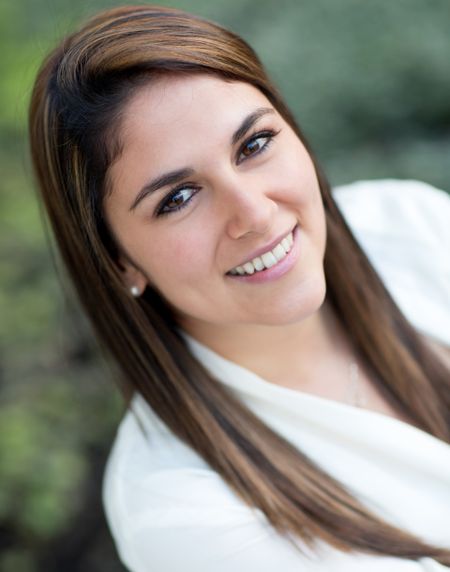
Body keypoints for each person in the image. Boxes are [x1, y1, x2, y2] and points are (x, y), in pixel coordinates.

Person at [29, 5, 450, 571]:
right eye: (177, 198)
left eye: (253, 145)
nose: (253, 212)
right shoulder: (182, 511)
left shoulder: (406, 223)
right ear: (118, 260)